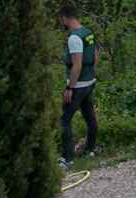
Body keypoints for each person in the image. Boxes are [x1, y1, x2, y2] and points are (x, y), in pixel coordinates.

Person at [59, 5, 99, 169]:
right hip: (90, 82)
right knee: (89, 116)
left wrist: (70, 88)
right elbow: (96, 57)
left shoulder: (74, 38)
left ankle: (67, 160)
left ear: (64, 18)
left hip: (78, 86)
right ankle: (90, 149)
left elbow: (77, 65)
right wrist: (91, 75)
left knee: (64, 121)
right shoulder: (88, 32)